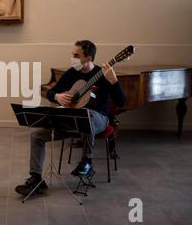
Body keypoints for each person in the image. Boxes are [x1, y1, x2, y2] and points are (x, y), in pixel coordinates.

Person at [15, 40, 126, 196]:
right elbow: (49, 93)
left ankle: (87, 162)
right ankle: (36, 178)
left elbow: (121, 101)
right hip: (71, 120)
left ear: (88, 58)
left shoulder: (103, 75)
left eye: (76, 55)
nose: (72, 58)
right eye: (72, 54)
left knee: (86, 115)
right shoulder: (71, 73)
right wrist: (57, 97)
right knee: (37, 134)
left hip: (98, 118)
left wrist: (114, 81)